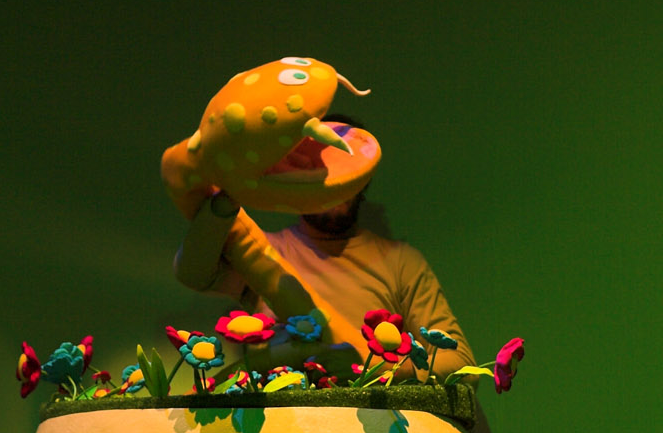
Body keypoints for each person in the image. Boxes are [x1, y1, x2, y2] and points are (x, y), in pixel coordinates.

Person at [171, 116, 476, 385]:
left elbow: (460, 363)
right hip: (279, 425)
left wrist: (378, 371)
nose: (332, 183)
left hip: (371, 428)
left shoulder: (401, 262)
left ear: (363, 177)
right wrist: (224, 201)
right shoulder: (267, 251)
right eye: (317, 171)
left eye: (343, 168)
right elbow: (193, 273)